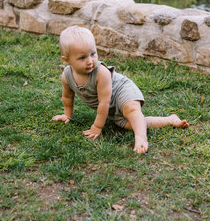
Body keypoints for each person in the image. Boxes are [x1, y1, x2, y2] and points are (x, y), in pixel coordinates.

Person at [52, 26, 189, 154]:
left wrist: (97, 126)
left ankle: (141, 138)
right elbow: (67, 98)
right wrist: (67, 115)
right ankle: (170, 120)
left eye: (93, 54)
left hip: (121, 90)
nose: (90, 61)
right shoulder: (67, 76)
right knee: (131, 124)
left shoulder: (101, 73)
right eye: (82, 57)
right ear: (67, 60)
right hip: (111, 108)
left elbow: (103, 103)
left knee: (132, 110)